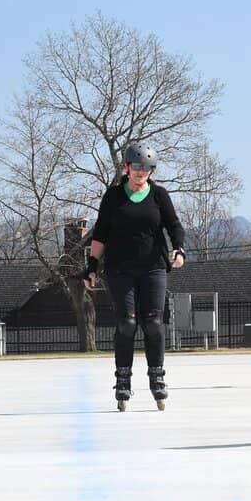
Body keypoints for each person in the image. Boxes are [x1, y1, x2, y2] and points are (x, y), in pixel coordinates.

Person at [84, 144, 186, 411]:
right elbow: (101, 234)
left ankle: (157, 377)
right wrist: (92, 265)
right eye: (137, 167)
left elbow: (174, 225)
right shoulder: (113, 196)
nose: (141, 172)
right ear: (126, 168)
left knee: (153, 322)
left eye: (146, 168)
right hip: (119, 269)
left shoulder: (159, 195)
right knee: (127, 324)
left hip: (153, 267)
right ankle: (123, 379)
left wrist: (179, 249)